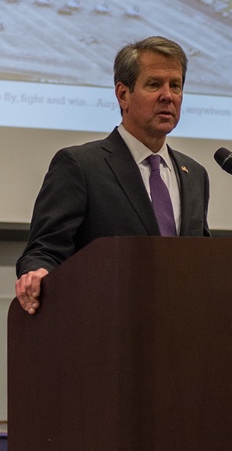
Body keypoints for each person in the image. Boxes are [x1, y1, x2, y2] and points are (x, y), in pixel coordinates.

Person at [15, 36, 209, 313]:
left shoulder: (194, 175)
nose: (168, 96)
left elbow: (202, 260)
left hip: (181, 328)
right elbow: (44, 250)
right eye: (154, 84)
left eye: (175, 86)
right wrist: (39, 273)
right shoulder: (81, 165)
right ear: (122, 94)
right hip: (107, 326)